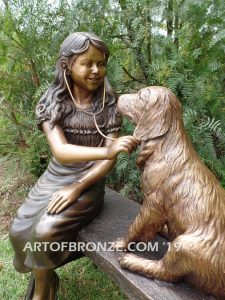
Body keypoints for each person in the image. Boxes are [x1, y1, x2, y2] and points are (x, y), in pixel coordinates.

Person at [9, 32, 138, 300]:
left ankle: (43, 292)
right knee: (19, 230)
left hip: (90, 180)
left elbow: (107, 161)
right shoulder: (53, 102)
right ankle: (46, 276)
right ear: (67, 65)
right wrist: (107, 150)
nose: (96, 70)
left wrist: (77, 187)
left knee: (44, 233)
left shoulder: (109, 105)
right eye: (87, 63)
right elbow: (61, 151)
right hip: (56, 175)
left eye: (101, 64)